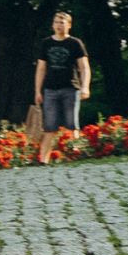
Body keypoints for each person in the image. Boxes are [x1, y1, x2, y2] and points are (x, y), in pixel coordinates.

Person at [32, 11, 92, 163]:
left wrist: (85, 86)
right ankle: (43, 161)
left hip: (70, 88)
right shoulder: (46, 43)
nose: (59, 25)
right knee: (49, 127)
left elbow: (84, 67)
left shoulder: (75, 43)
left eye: (62, 22)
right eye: (56, 22)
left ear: (69, 25)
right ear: (52, 25)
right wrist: (38, 91)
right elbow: (41, 68)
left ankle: (76, 157)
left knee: (72, 125)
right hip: (50, 89)